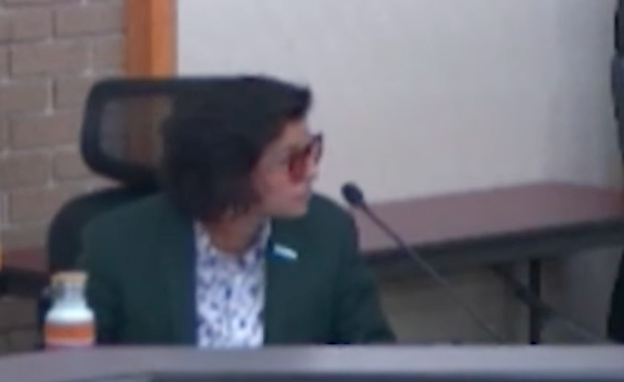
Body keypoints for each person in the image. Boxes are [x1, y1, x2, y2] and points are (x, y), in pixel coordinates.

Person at [80, 76, 395, 346]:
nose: (311, 171)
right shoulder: (116, 244)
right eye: (291, 161)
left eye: (312, 151)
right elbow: (80, 368)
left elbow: (371, 354)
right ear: (230, 171)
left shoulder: (327, 232)